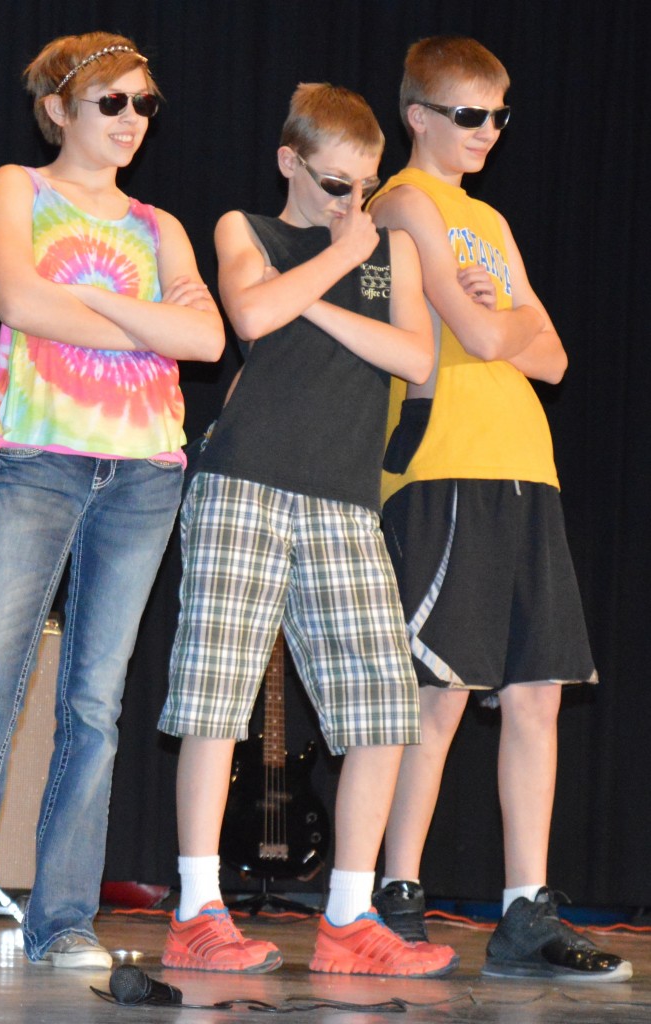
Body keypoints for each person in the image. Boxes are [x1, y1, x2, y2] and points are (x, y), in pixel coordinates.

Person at [0, 32, 223, 969]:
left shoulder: (160, 224)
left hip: (145, 471)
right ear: (59, 109)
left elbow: (209, 340)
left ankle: (64, 920)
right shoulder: (17, 187)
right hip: (41, 460)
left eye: (143, 104)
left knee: (94, 705)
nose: (132, 120)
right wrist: (155, 325)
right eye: (112, 103)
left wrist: (122, 318)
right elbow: (20, 301)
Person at [157, 83, 459, 978]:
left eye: (363, 186)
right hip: (243, 484)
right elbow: (248, 317)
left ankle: (349, 916)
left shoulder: (386, 251)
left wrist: (326, 288)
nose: (350, 204)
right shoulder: (245, 230)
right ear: (289, 162)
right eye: (333, 184)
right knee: (214, 698)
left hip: (343, 498)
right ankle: (197, 908)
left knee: (382, 713)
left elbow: (416, 358)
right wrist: (335, 258)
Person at [369, 36, 631, 983]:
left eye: (498, 116)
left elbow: (554, 357)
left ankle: (526, 910)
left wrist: (507, 319)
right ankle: (391, 898)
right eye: (469, 115)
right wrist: (503, 320)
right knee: (434, 694)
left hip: (526, 465)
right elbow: (487, 330)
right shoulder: (401, 200)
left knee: (537, 693)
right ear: (419, 116)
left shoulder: (488, 218)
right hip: (444, 467)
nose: (487, 133)